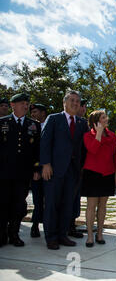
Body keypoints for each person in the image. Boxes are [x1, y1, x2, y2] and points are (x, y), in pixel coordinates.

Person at [40, 90, 89, 250]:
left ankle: (63, 235)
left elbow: (86, 147)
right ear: (65, 102)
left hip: (73, 172)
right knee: (52, 204)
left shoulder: (82, 123)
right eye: (72, 100)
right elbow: (45, 142)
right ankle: (51, 237)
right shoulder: (53, 119)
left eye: (78, 101)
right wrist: (46, 164)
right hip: (54, 170)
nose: (75, 103)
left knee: (67, 205)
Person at [0, 93, 40, 247]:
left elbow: (37, 149)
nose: (25, 106)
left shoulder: (33, 125)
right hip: (3, 173)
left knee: (18, 205)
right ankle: (2, 234)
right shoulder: (3, 122)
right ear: (12, 105)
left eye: (27, 103)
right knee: (2, 204)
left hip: (23, 173)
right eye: (22, 103)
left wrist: (37, 168)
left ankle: (14, 234)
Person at [81, 110, 116, 247]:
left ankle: (100, 234)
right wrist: (98, 133)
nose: (106, 119)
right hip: (92, 174)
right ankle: (90, 236)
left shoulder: (112, 136)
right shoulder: (87, 136)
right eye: (103, 117)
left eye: (106, 117)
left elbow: (115, 156)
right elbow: (93, 149)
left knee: (103, 206)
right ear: (96, 121)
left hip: (107, 174)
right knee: (91, 206)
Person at [68, 98, 88, 238]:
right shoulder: (62, 120)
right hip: (63, 168)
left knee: (75, 200)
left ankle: (71, 226)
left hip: (78, 168)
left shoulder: (83, 124)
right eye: (83, 106)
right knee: (63, 199)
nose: (84, 109)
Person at [29, 103, 48, 238]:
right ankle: (35, 225)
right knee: (37, 200)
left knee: (50, 200)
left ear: (43, 113)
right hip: (37, 171)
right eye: (32, 112)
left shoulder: (50, 125)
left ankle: (49, 226)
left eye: (36, 112)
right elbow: (32, 151)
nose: (33, 115)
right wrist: (36, 169)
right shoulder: (31, 127)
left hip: (50, 170)